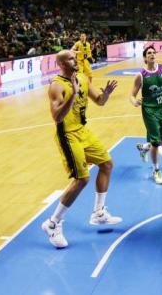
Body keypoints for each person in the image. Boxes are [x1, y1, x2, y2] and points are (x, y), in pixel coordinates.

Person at [41, 49, 121, 249]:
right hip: (67, 135)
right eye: (69, 58)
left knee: (107, 164)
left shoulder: (83, 78)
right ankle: (52, 223)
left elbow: (100, 101)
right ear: (61, 64)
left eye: (74, 56)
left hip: (83, 131)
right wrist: (73, 94)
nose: (74, 59)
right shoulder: (56, 86)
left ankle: (98, 213)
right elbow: (56, 117)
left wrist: (107, 94)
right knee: (82, 179)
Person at [131, 45, 162, 185]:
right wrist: (134, 101)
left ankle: (144, 147)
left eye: (153, 52)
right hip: (149, 111)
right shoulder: (141, 75)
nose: (152, 54)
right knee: (156, 142)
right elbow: (132, 95)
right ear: (145, 58)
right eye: (149, 53)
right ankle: (156, 170)